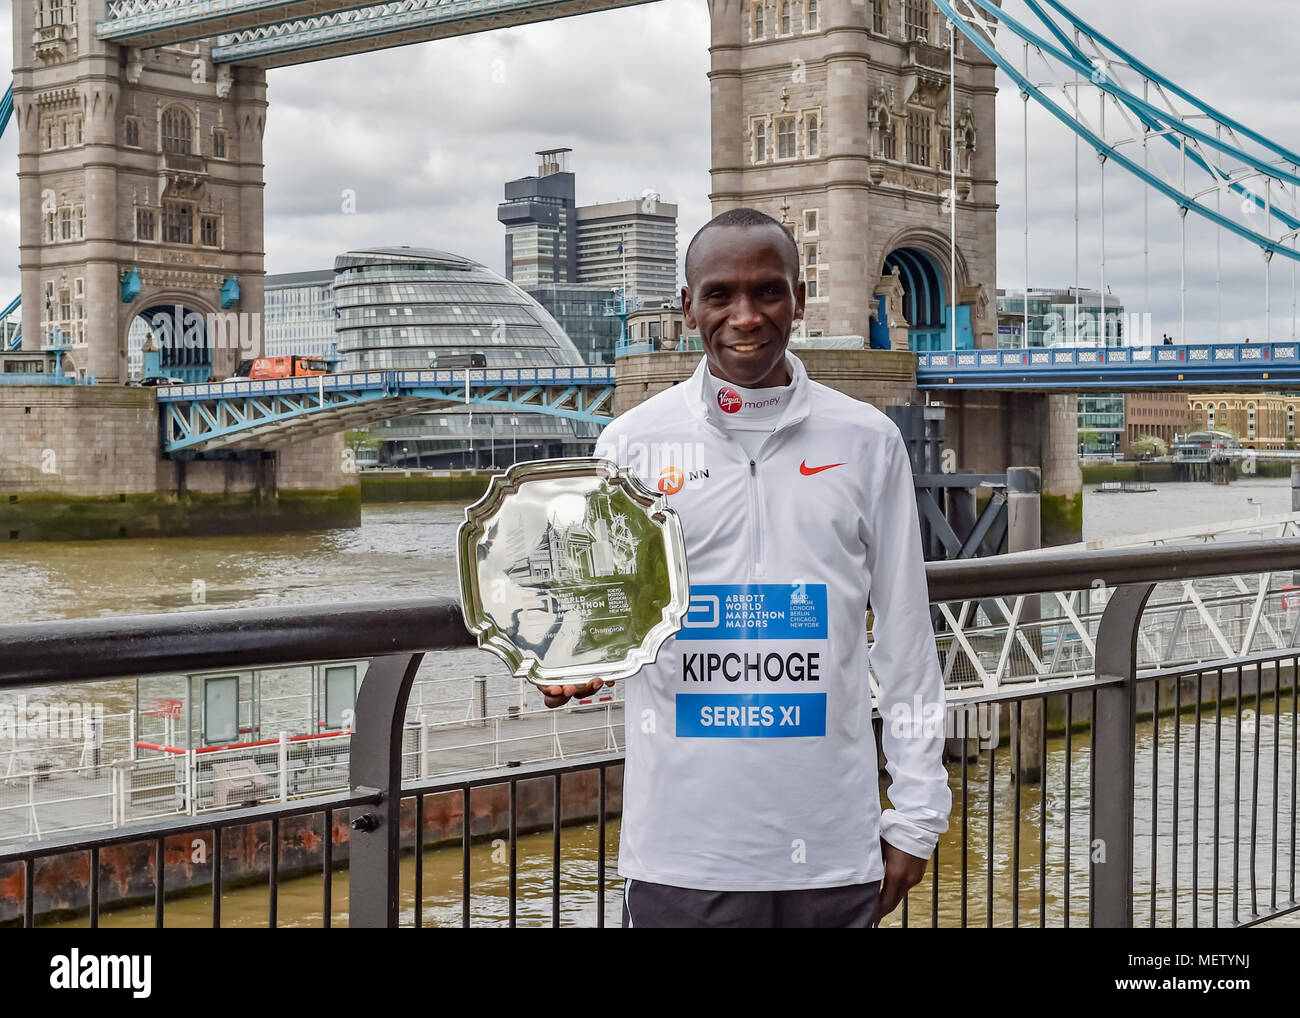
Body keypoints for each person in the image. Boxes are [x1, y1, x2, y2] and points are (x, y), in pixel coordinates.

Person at [542, 207, 952, 928]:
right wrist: (568, 661)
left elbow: (908, 639)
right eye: (720, 295)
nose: (746, 316)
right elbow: (597, 615)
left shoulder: (868, 441)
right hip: (681, 852)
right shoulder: (630, 445)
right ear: (688, 308)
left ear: (799, 298)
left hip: (832, 845)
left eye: (768, 292)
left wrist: (917, 816)